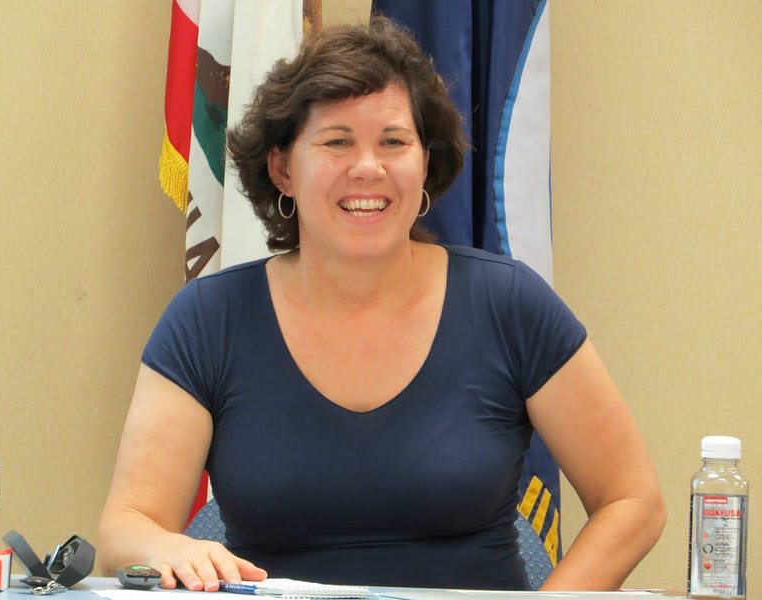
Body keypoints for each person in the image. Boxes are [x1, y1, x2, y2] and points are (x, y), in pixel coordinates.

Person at [99, 16, 665, 592]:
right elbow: (127, 526)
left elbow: (633, 500)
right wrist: (165, 546)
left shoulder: (509, 304)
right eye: (337, 141)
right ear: (283, 168)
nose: (368, 167)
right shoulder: (207, 320)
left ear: (425, 164)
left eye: (394, 142)